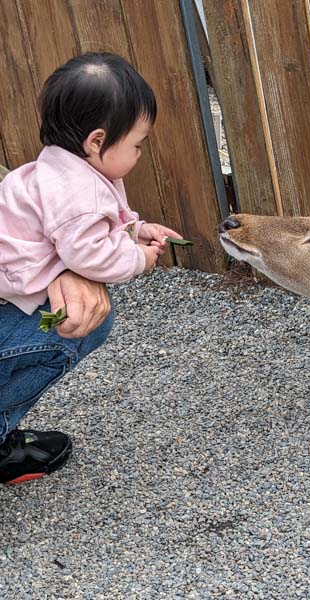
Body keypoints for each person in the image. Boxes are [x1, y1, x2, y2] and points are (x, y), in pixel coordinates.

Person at [0, 52, 182, 484]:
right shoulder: (76, 192)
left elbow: (105, 220)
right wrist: (139, 258)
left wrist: (135, 229)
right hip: (14, 280)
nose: (139, 154)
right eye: (137, 144)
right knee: (78, 325)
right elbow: (88, 254)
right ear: (97, 142)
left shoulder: (65, 164)